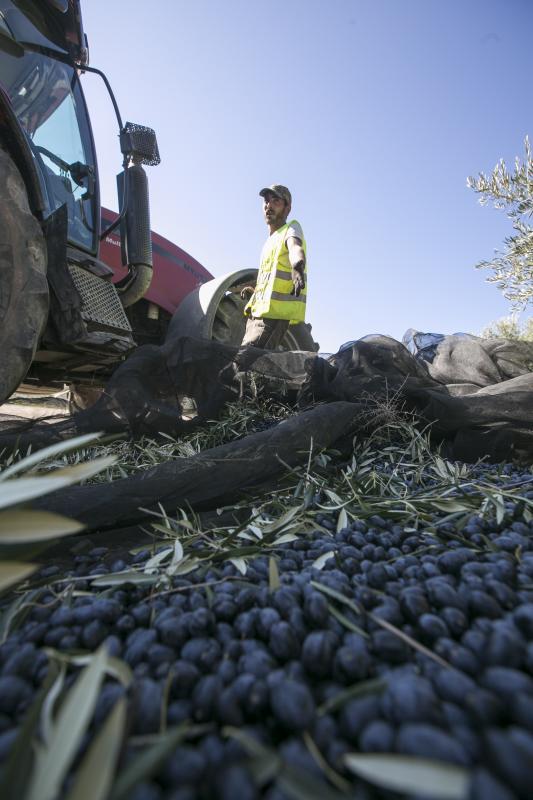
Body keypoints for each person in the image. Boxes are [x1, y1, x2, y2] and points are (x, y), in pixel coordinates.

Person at [236, 184, 307, 365]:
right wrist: (255, 293)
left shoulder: (291, 229)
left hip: (274, 317)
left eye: (276, 201)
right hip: (258, 315)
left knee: (245, 362)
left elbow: (295, 247)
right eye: (266, 201)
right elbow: (269, 280)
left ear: (287, 208)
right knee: (245, 364)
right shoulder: (270, 242)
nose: (269, 205)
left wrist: (297, 266)